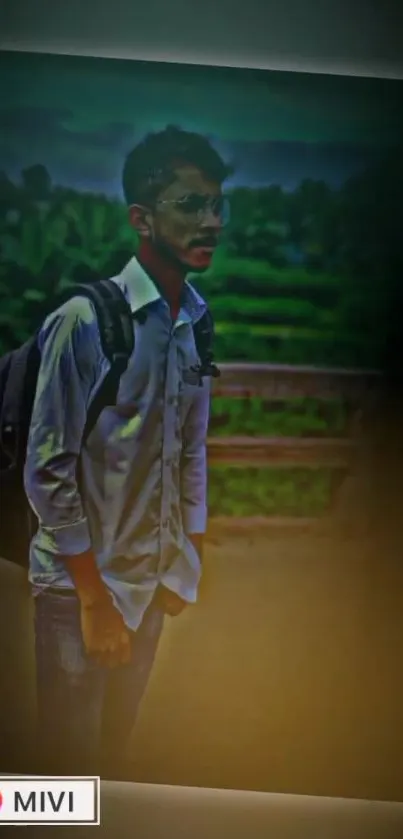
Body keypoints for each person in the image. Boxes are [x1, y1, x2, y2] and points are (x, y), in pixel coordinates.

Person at [24, 125, 231, 777]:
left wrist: (184, 556)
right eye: (189, 205)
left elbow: (188, 449)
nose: (211, 222)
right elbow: (47, 469)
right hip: (80, 590)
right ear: (140, 219)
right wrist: (92, 600)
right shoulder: (84, 323)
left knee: (111, 769)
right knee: (67, 777)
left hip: (146, 586)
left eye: (216, 205)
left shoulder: (193, 321)